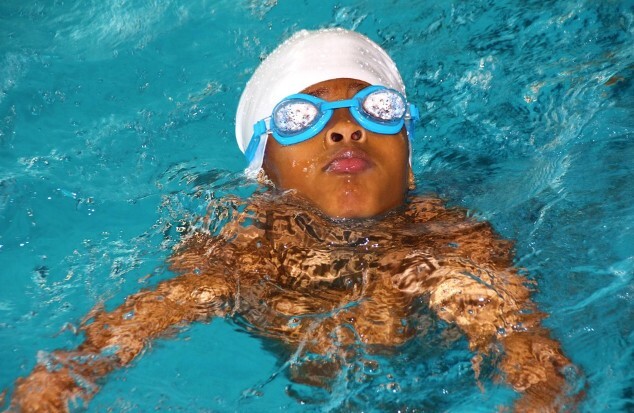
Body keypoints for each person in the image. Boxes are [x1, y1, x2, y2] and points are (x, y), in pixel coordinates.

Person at [9, 29, 583, 412]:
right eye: (301, 117)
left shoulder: (451, 243)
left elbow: (538, 366)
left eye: (376, 109)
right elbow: (95, 351)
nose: (345, 129)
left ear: (409, 159)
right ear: (263, 170)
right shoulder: (238, 253)